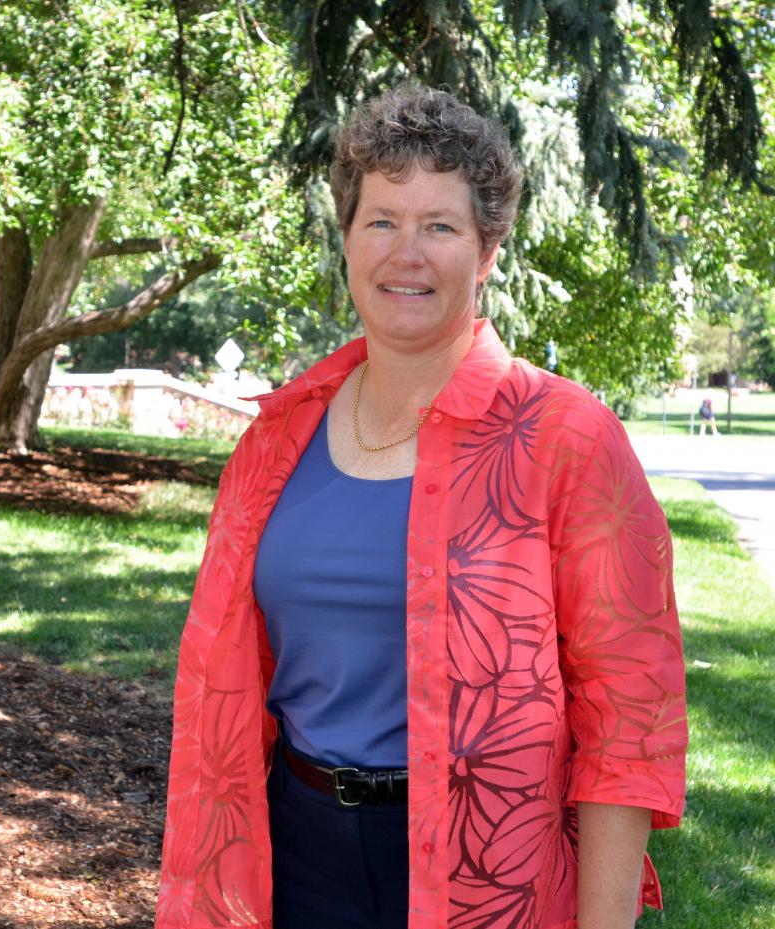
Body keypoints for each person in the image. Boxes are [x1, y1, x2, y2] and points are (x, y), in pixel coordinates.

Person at [156, 85, 687, 929]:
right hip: (296, 853)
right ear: (347, 238)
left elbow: (627, 718)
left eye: (439, 225)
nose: (407, 252)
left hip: (489, 870)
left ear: (488, 251)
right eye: (381, 221)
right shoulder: (277, 437)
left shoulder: (566, 439)